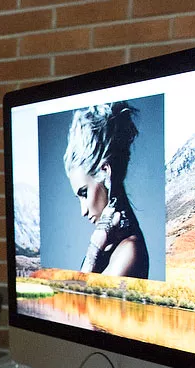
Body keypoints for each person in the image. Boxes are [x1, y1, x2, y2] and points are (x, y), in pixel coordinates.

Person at [63, 102, 149, 278]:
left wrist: (94, 249)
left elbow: (75, 303)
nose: (83, 211)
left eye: (84, 193)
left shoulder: (129, 251)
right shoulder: (110, 243)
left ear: (105, 171)